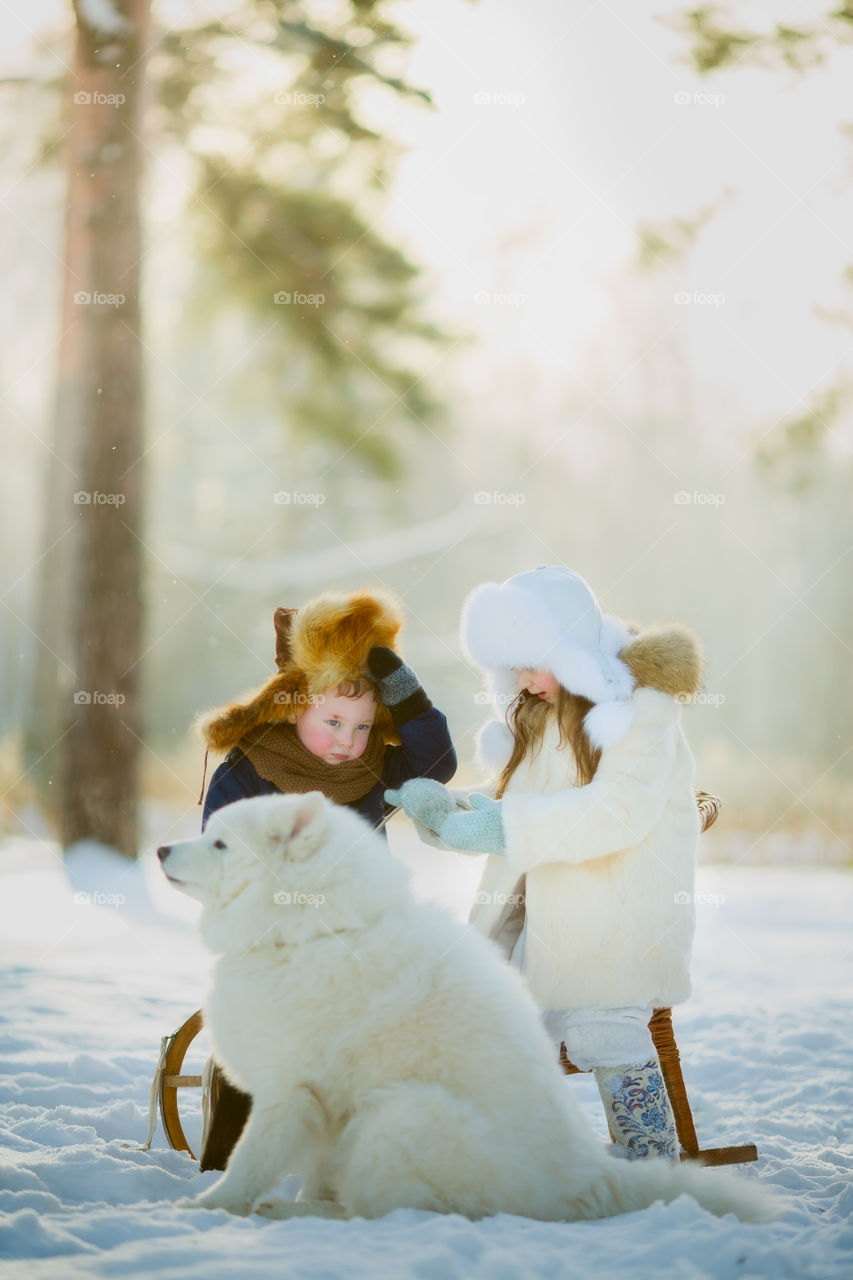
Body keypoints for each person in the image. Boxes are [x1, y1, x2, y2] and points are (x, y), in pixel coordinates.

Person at [388, 565, 703, 1161]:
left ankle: (652, 1157)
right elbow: (528, 813)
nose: (524, 679)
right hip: (549, 921)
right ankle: (498, 1154)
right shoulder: (543, 715)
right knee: (486, 1022)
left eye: (533, 661)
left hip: (622, 917)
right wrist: (454, 814)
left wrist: (499, 824)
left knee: (599, 1024)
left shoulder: (642, 710)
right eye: (514, 666)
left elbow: (618, 811)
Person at [196, 587, 457, 1169]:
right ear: (294, 708)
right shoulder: (252, 769)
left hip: (351, 938)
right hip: (272, 936)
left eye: (363, 726)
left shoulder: (368, 770)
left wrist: (404, 693)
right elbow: (223, 849)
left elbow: (436, 767)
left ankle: (360, 1150)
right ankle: (226, 1155)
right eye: (333, 720)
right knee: (261, 1031)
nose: (347, 740)